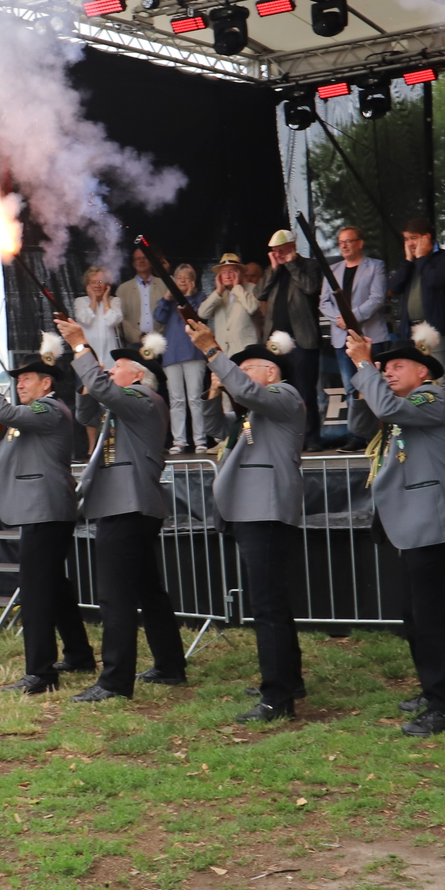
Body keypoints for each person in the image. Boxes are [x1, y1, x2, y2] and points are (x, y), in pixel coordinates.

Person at [344, 333, 445, 736]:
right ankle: (432, 691)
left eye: (398, 366)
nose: (389, 372)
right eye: (386, 368)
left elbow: (386, 407)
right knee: (414, 616)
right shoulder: (400, 407)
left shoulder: (431, 397)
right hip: (412, 523)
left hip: (433, 523)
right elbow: (360, 425)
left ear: (423, 372)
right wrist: (364, 383)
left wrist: (365, 366)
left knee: (429, 618)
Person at [59, 317, 189, 702]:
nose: (111, 371)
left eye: (117, 367)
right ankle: (169, 665)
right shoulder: (124, 406)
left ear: (137, 376)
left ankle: (115, 682)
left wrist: (81, 347)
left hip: (127, 505)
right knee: (148, 591)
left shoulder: (143, 399)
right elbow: (87, 415)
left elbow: (105, 391)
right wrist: (89, 383)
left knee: (115, 596)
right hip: (127, 504)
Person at [185, 316, 306, 722]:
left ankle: (277, 697)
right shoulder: (253, 414)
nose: (238, 374)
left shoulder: (284, 394)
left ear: (270, 371)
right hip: (250, 508)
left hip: (265, 509)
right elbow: (214, 426)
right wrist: (213, 392)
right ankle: (288, 680)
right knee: (272, 602)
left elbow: (246, 390)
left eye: (246, 367)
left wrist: (213, 352)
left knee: (267, 606)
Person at [0, 352, 93, 693]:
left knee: (34, 592)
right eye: (17, 380)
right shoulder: (28, 416)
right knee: (54, 587)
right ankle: (79, 654)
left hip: (45, 510)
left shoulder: (48, 409)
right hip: (38, 509)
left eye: (27, 379)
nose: (20, 384)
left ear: (46, 383)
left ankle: (40, 673)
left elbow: (6, 415)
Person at [320, 226, 390, 439]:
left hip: (370, 337)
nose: (344, 246)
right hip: (343, 339)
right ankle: (357, 435)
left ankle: (380, 434)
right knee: (351, 388)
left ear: (360, 243)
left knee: (374, 385)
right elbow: (323, 302)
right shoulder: (332, 270)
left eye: (348, 241)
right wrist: (339, 320)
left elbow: (377, 298)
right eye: (341, 242)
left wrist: (351, 317)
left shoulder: (375, 266)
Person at [258, 228, 325, 451]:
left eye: (281, 250)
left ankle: (311, 438)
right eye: (274, 251)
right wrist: (274, 268)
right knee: (279, 391)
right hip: (276, 342)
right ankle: (287, 437)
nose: (277, 254)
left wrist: (292, 264)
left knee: (305, 391)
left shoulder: (309, 265)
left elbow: (310, 287)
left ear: (292, 247)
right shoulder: (274, 269)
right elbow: (259, 293)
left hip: (301, 339)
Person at [388, 220, 445, 399]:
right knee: (414, 383)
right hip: (412, 331)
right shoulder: (410, 263)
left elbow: (435, 281)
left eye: (413, 238)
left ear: (427, 237)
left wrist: (421, 258)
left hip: (436, 330)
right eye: (406, 239)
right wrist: (408, 261)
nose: (409, 243)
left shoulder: (444, 257)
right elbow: (393, 287)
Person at [152, 263, 211, 453]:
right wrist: (167, 296)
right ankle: (179, 441)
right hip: (172, 355)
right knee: (176, 399)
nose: (182, 281)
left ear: (193, 281)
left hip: (194, 353)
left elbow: (197, 317)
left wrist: (189, 296)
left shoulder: (200, 297)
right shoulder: (169, 301)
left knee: (195, 398)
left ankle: (200, 440)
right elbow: (158, 317)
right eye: (179, 278)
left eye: (187, 278)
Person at [199, 253, 260, 355]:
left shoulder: (252, 288)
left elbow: (252, 308)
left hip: (246, 351)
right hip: (224, 352)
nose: (227, 276)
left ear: (239, 273)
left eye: (231, 272)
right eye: (224, 272)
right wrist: (218, 291)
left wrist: (237, 288)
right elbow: (202, 314)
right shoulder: (218, 294)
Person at [72, 266, 124, 357]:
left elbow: (112, 321)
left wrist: (105, 299)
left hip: (110, 354)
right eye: (93, 282)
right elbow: (85, 320)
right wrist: (93, 299)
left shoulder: (115, 301)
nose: (97, 286)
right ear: (88, 285)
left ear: (107, 284)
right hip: (88, 354)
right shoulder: (80, 301)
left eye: (101, 281)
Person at [115, 247, 161, 349]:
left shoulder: (164, 286)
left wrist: (158, 337)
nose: (141, 261)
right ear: (133, 263)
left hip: (161, 343)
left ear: (151, 261)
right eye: (138, 258)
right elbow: (120, 319)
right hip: (134, 344)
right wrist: (137, 337)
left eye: (144, 258)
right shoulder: (123, 289)